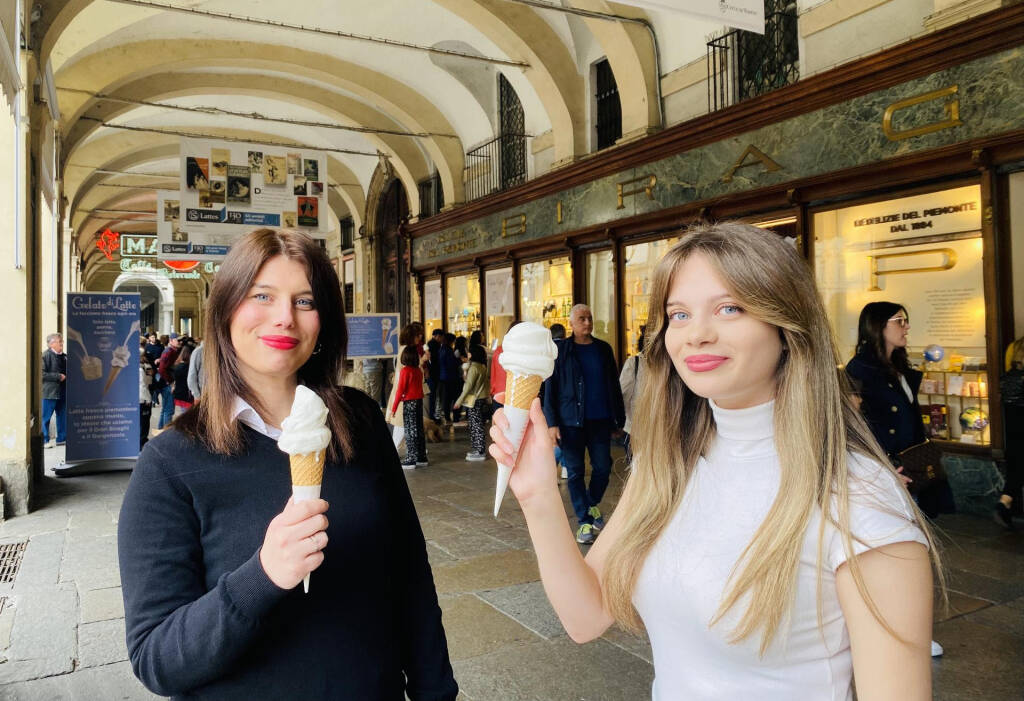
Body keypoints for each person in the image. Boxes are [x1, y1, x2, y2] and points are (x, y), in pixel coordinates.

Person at [490, 223, 942, 700]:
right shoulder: (667, 467)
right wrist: (538, 494)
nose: (697, 334)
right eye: (678, 314)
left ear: (787, 327)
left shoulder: (859, 497)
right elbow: (586, 617)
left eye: (729, 308)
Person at [118, 228, 457, 699]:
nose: (284, 319)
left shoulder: (361, 423)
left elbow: (411, 578)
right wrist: (263, 575)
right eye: (262, 295)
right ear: (226, 311)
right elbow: (156, 659)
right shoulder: (169, 463)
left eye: (304, 301)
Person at [542, 304, 625, 544]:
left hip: (599, 420)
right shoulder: (561, 351)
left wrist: (618, 418)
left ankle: (590, 505)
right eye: (581, 319)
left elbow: (614, 386)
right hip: (570, 422)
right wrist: (552, 423)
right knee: (576, 471)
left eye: (589, 318)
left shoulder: (603, 349)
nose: (587, 323)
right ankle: (584, 521)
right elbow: (551, 388)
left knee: (602, 467)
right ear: (571, 323)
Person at [386, 323, 429, 461]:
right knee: (404, 425)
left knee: (408, 425)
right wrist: (422, 361)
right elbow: (406, 371)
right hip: (406, 393)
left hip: (407, 394)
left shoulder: (408, 349)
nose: (420, 337)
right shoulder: (406, 350)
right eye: (418, 335)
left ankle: (414, 453)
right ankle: (403, 452)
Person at [997, 336, 1024, 529]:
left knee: (1016, 472)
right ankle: (1004, 504)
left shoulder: (1007, 377)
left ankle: (1004, 504)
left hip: (1012, 437)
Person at [453, 344, 488, 461]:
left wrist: (459, 401)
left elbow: (468, 387)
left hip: (474, 399)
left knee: (475, 424)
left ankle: (479, 451)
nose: (467, 354)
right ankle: (478, 449)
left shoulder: (474, 368)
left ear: (473, 354)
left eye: (469, 352)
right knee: (477, 424)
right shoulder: (482, 366)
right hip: (481, 398)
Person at [618, 325, 646, 465]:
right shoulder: (634, 363)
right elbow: (622, 394)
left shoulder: (666, 365)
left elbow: (623, 393)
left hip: (638, 427)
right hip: (636, 428)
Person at [41, 333, 67, 448]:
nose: (61, 343)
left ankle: (62, 439)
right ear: (51, 344)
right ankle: (45, 441)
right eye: (59, 341)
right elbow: (41, 374)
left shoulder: (65, 356)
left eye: (62, 341)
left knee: (62, 416)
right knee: (45, 417)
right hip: (49, 392)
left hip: (63, 391)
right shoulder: (45, 356)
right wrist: (58, 376)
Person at [156, 333, 182, 429]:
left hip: (166, 383)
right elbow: (162, 369)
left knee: (165, 410)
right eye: (177, 340)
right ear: (171, 340)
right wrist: (170, 382)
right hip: (167, 385)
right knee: (169, 410)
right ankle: (165, 433)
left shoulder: (172, 351)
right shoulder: (169, 351)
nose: (180, 342)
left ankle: (160, 432)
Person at [172, 345, 195, 416]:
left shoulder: (177, 365)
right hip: (187, 395)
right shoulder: (188, 367)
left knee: (184, 413)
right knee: (188, 415)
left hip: (179, 393)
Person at [426, 328, 444, 420]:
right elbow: (435, 360)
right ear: (437, 336)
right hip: (433, 373)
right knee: (433, 395)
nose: (442, 339)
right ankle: (432, 415)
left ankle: (432, 414)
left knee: (433, 395)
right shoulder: (434, 345)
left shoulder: (430, 344)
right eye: (441, 337)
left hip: (432, 373)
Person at [139, 349, 154, 449]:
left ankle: (142, 441)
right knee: (144, 422)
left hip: (138, 399)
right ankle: (142, 442)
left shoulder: (144, 366)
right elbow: (143, 385)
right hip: (143, 399)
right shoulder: (142, 368)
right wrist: (148, 399)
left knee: (142, 422)